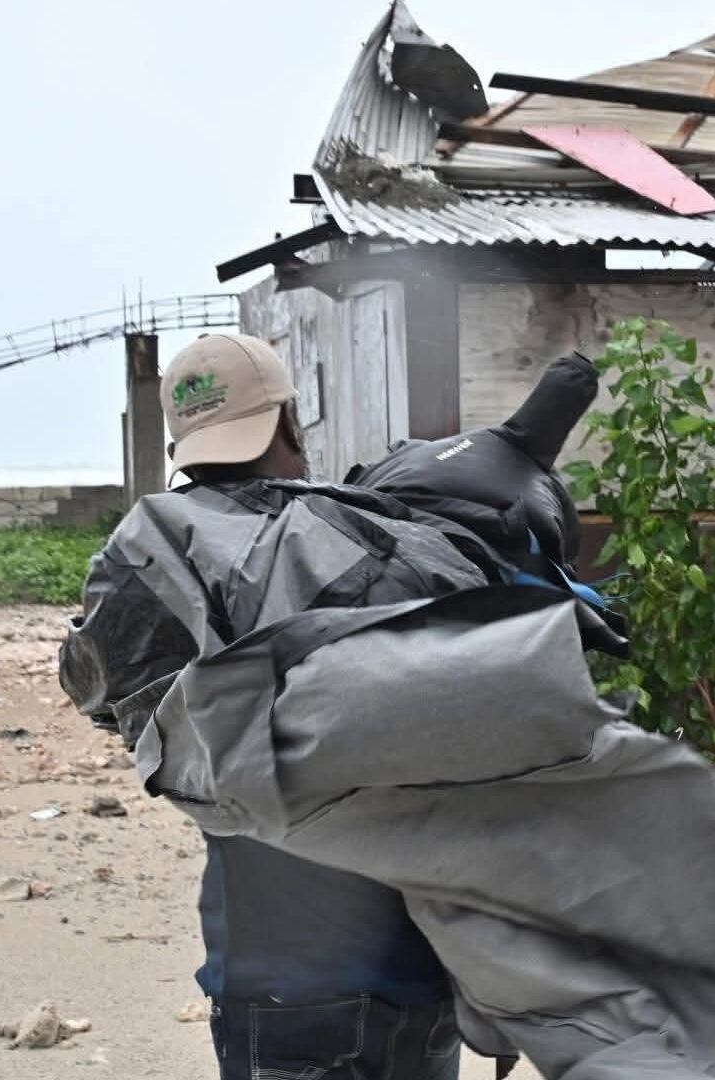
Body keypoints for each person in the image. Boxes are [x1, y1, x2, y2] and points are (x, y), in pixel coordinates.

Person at [78, 332, 463, 1080]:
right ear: (289, 422)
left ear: (184, 442)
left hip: (274, 976)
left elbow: (97, 689)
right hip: (424, 965)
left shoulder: (155, 550)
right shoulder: (382, 533)